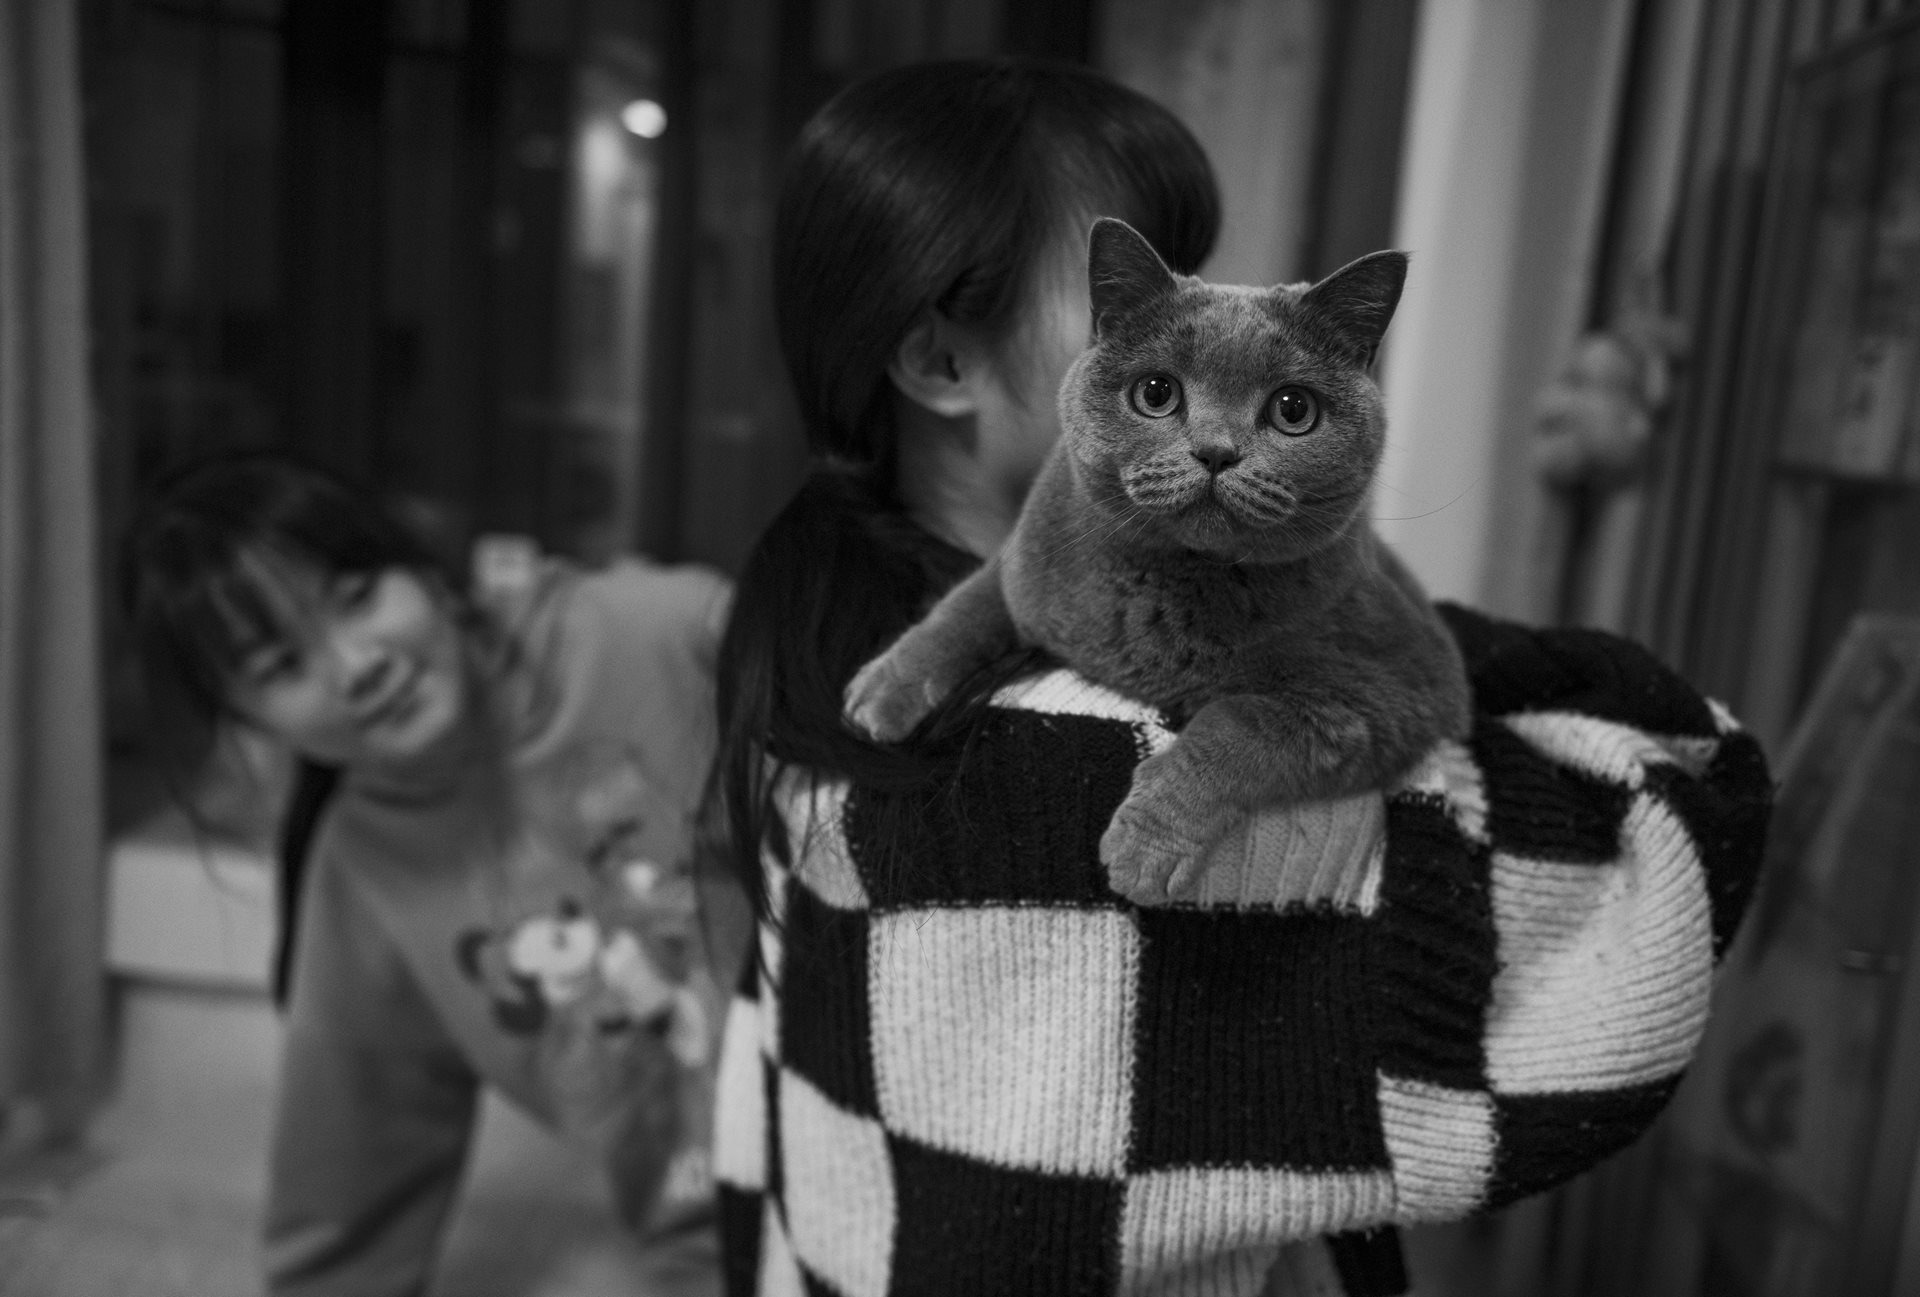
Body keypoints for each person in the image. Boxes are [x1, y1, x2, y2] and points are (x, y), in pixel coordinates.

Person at [708, 58, 1773, 1297]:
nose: (1211, 307)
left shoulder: (817, 650)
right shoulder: (1082, 765)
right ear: (944, 362)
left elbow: (758, 1095)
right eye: (1143, 324)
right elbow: (1582, 978)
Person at [123, 453, 737, 1296]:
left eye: (357, 598)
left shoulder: (659, 632)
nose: (357, 665)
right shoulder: (362, 878)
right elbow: (349, 1190)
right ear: (249, 723)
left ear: (424, 569)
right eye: (283, 667)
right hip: (721, 1244)